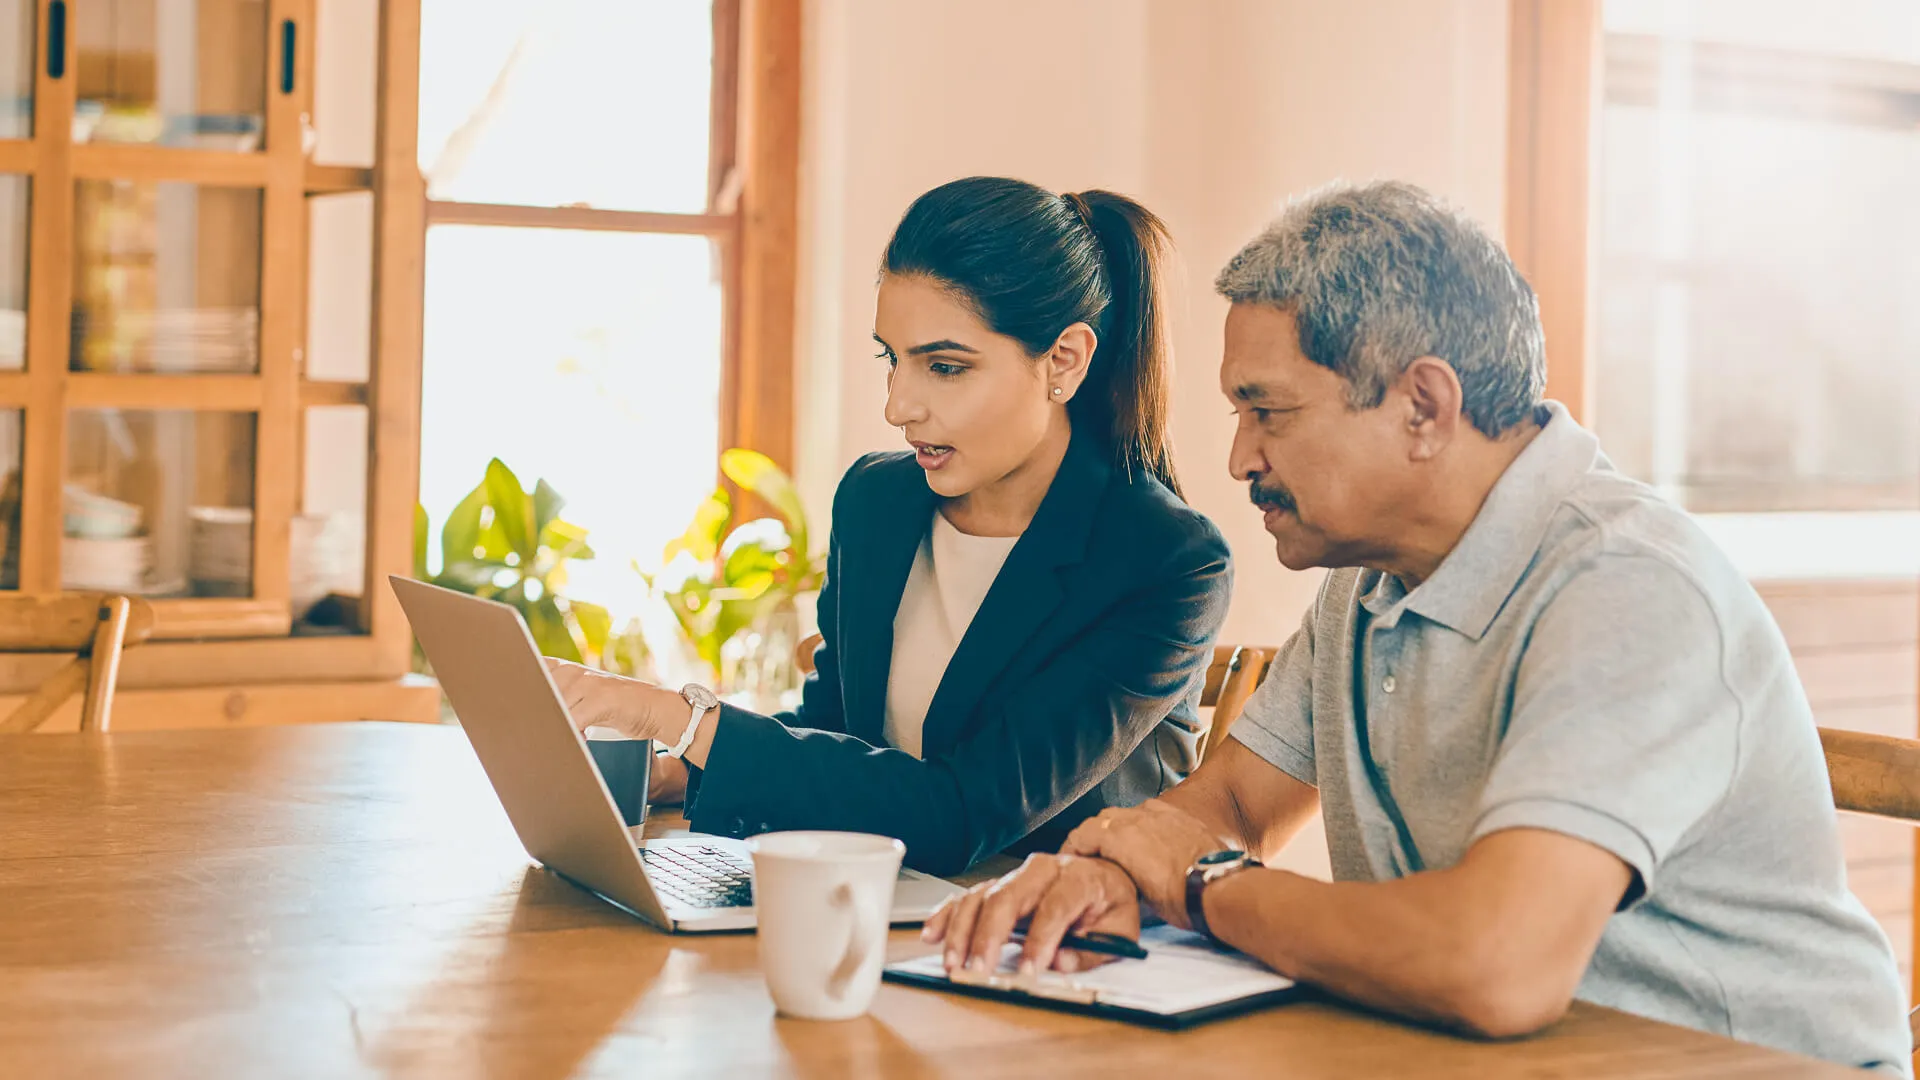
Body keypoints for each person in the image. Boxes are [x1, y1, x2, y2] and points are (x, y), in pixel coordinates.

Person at [926, 180, 1911, 1074]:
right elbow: (1226, 805)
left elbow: (1496, 967)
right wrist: (1114, 868)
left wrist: (1206, 886)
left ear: (1425, 409)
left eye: (1267, 411)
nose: (1239, 458)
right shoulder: (1371, 581)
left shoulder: (1628, 591)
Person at [546, 176, 1232, 877]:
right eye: (891, 358)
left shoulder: (1165, 561)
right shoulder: (878, 502)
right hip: (882, 914)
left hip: (1063, 953)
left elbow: (964, 812)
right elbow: (835, 738)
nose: (898, 407)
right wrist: (682, 771)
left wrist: (680, 718)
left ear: (1064, 360)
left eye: (943, 366)